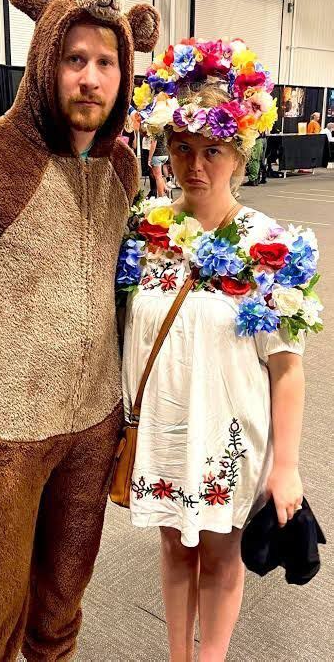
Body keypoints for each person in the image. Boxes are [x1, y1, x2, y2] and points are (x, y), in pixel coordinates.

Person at [0, 0, 159, 661]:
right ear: (45, 60)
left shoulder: (124, 169)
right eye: (74, 59)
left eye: (105, 63)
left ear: (123, 74)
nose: (89, 77)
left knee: (59, 608)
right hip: (2, 432)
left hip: (91, 423)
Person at [119, 38, 322, 661]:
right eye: (182, 148)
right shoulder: (147, 229)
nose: (194, 164)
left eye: (212, 150)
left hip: (229, 431)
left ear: (239, 153)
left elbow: (287, 370)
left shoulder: (268, 244)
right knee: (175, 549)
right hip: (163, 426)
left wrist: (285, 467)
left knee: (218, 553)